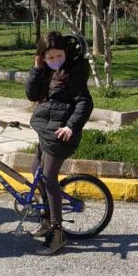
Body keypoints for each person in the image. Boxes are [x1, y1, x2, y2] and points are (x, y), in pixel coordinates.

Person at [25, 31, 93, 255]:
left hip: (61, 134)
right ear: (42, 57)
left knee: (48, 178)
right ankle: (46, 218)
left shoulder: (72, 73)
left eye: (59, 56)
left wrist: (71, 126)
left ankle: (57, 232)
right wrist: (36, 69)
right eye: (50, 57)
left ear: (66, 53)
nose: (55, 60)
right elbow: (32, 95)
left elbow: (84, 102)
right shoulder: (46, 71)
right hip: (46, 131)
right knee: (35, 171)